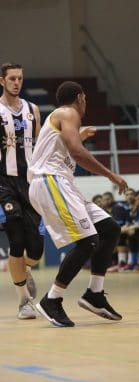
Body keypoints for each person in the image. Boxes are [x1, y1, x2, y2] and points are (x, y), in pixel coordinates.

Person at [28, 81, 128, 327]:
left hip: (61, 184)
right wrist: (111, 175)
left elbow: (64, 145)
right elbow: (77, 152)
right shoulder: (68, 112)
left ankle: (95, 293)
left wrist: (79, 136)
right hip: (50, 182)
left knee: (109, 229)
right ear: (80, 98)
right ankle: (52, 300)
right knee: (88, 241)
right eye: (85, 100)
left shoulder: (62, 119)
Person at [0, 62, 44, 319]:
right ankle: (23, 302)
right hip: (4, 183)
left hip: (30, 184)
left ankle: (23, 269)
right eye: (12, 78)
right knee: (16, 242)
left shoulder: (33, 110)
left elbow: (40, 146)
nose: (17, 82)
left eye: (20, 78)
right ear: (2, 81)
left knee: (36, 251)